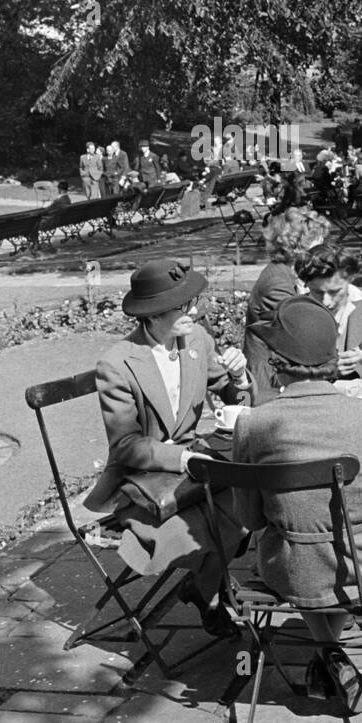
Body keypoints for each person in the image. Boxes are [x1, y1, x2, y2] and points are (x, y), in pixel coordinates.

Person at [233, 296, 362, 715]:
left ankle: (327, 655)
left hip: (288, 567)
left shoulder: (251, 423)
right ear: (335, 358)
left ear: (275, 364)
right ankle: (332, 654)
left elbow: (249, 518)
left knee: (308, 559)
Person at [83, 259, 254, 631]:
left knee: (250, 506)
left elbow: (229, 393)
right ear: (154, 314)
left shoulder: (197, 340)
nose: (195, 309)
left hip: (194, 471)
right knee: (200, 527)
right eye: (184, 305)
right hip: (144, 484)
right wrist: (183, 458)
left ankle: (204, 585)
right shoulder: (117, 365)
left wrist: (238, 376)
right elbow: (126, 446)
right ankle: (209, 590)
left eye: (194, 300)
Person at [244, 207, 330, 400]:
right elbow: (302, 333)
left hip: (288, 371)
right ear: (298, 247)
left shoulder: (289, 274)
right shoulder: (277, 284)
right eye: (317, 246)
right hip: (271, 383)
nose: (323, 253)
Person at [294, 242, 362, 384]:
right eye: (317, 292)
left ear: (350, 278)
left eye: (335, 292)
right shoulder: (293, 314)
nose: (327, 301)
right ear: (306, 285)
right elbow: (279, 377)